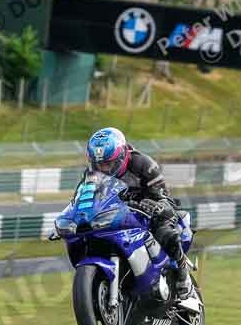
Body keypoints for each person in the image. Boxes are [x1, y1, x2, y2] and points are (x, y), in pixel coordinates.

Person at [82, 127, 192, 297]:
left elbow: (164, 197)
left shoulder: (143, 165)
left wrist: (156, 205)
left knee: (164, 230)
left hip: (150, 209)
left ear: (121, 156)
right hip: (118, 213)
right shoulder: (91, 174)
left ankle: (182, 270)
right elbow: (85, 199)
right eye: (99, 164)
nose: (103, 169)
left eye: (108, 163)